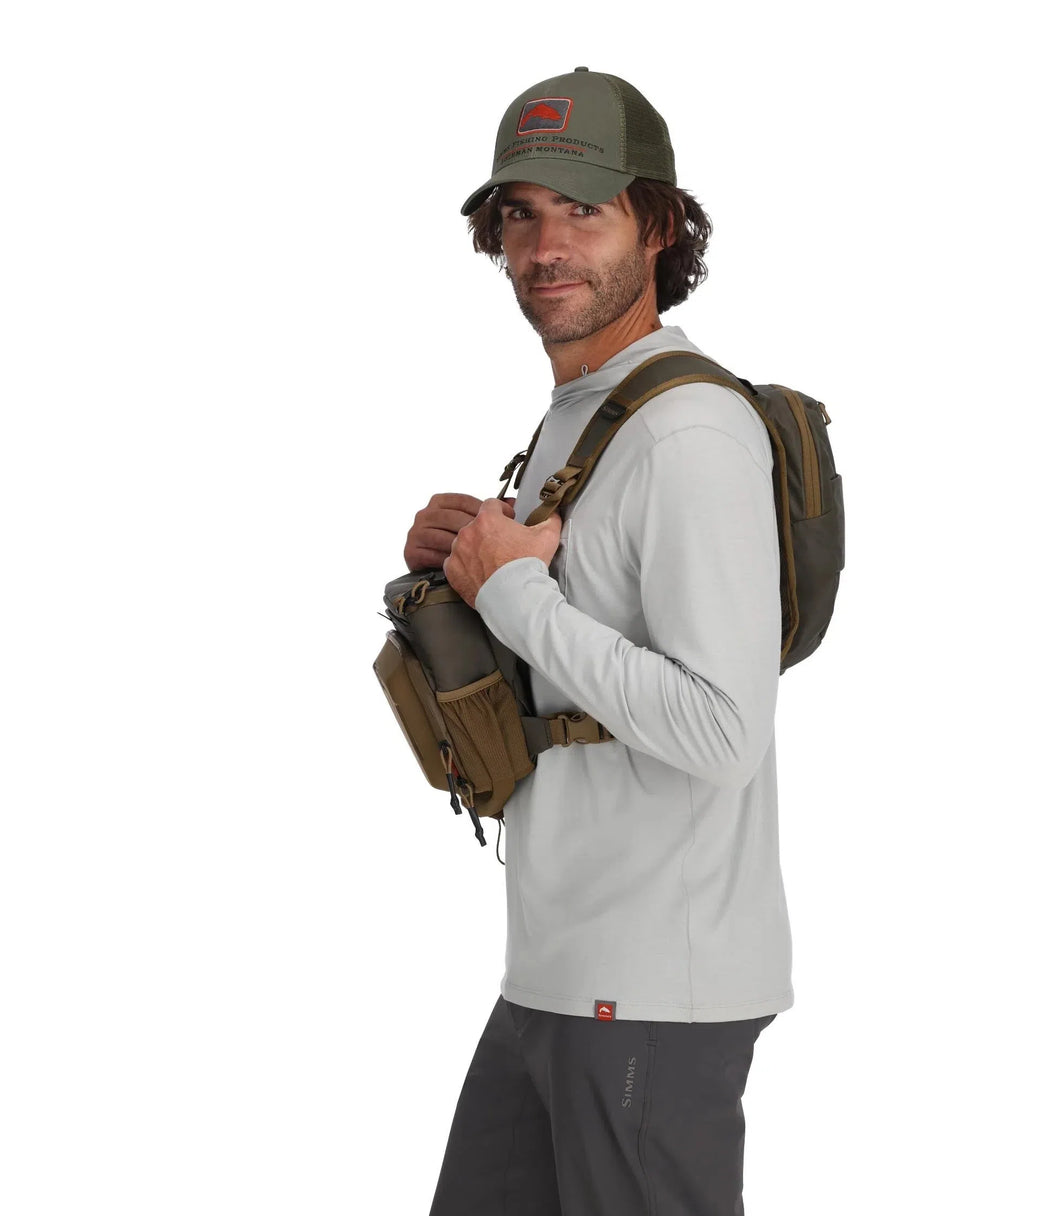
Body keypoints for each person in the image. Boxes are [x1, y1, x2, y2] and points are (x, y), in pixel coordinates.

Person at [407, 67, 791, 1215]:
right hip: (558, 973)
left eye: (584, 209)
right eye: (520, 213)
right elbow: (558, 654)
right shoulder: (583, 413)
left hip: (652, 990)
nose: (544, 247)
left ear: (658, 226)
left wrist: (515, 593)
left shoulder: (689, 432)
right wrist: (463, 570)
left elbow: (723, 730)